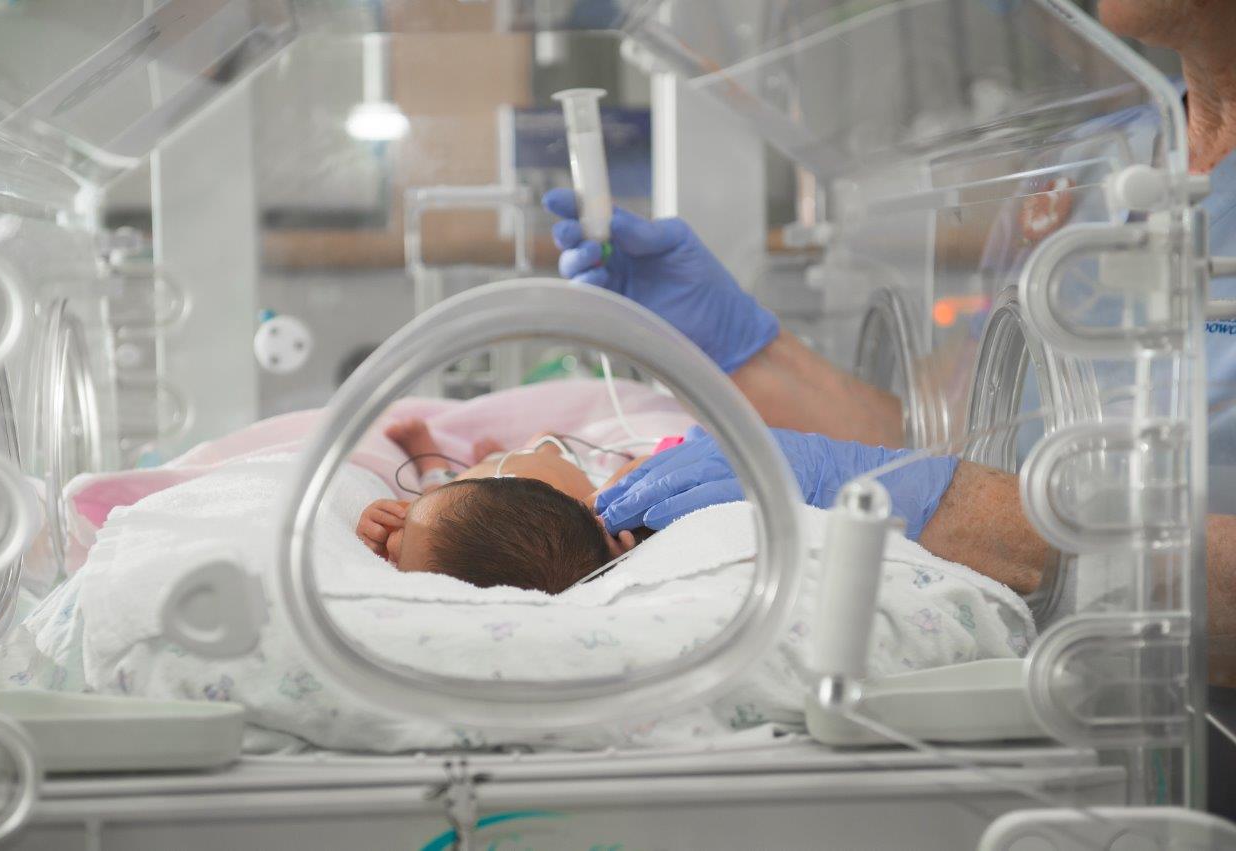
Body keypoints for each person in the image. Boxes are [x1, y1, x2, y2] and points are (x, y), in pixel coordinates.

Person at [544, 0, 1236, 675]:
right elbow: (964, 449)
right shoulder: (1096, 164)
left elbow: (956, 496)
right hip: (1056, 696)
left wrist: (963, 512)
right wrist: (745, 353)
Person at [355, 419, 642, 594]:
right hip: (518, 468)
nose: (390, 535)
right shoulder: (595, 508)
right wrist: (615, 542)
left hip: (506, 474)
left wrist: (374, 520)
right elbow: (637, 470)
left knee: (433, 492)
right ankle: (492, 456)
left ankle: (431, 462)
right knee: (544, 439)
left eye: (399, 554)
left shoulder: (575, 538)